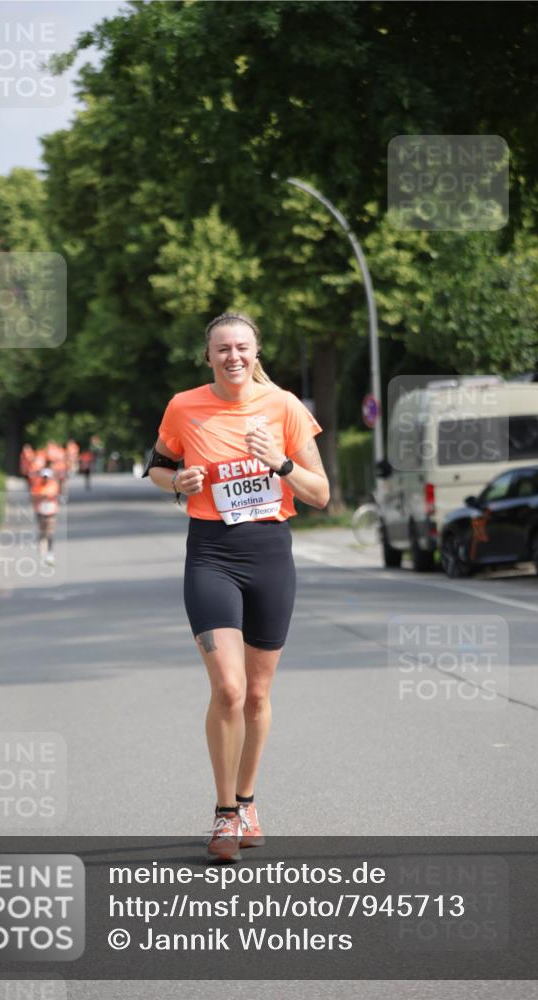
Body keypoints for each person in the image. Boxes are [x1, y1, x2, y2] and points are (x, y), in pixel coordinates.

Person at [145, 311, 329, 862]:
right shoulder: (184, 407)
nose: (233, 357)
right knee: (226, 687)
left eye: (242, 347)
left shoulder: (285, 407)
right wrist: (175, 481)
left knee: (256, 694)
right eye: (222, 348)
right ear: (209, 358)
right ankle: (224, 813)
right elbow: (154, 466)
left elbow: (320, 493)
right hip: (210, 554)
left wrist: (280, 462)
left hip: (270, 554)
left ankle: (248, 800)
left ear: (255, 352)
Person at [28, 464, 60, 565]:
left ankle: (50, 554)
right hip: (40, 512)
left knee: (50, 533)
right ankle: (42, 553)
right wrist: (42, 497)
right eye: (44, 477)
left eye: (47, 477)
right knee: (42, 534)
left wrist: (43, 496)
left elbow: (52, 495)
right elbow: (34, 497)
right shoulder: (36, 486)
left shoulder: (53, 485)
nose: (45, 479)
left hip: (51, 512)